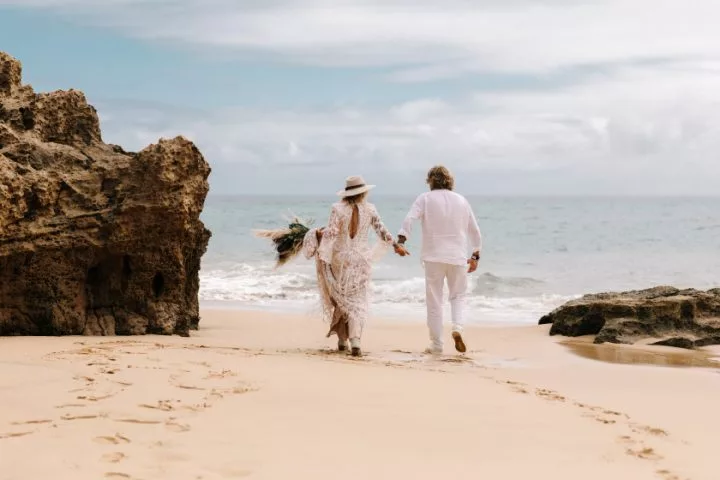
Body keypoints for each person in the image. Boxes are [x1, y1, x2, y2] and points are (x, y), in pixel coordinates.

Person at [302, 175, 398, 357]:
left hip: (341, 260)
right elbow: (382, 231)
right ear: (364, 192)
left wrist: (316, 234)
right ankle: (355, 340)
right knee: (357, 301)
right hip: (361, 260)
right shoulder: (370, 209)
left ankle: (341, 340)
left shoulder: (337, 209)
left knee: (342, 299)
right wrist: (396, 246)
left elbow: (331, 234)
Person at [394, 165, 482, 354]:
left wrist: (401, 240)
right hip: (457, 257)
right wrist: (475, 254)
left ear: (430, 181)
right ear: (450, 181)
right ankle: (457, 328)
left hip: (433, 257)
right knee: (458, 296)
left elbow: (410, 219)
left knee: (434, 300)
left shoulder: (425, 199)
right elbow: (474, 230)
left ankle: (436, 344)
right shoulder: (461, 200)